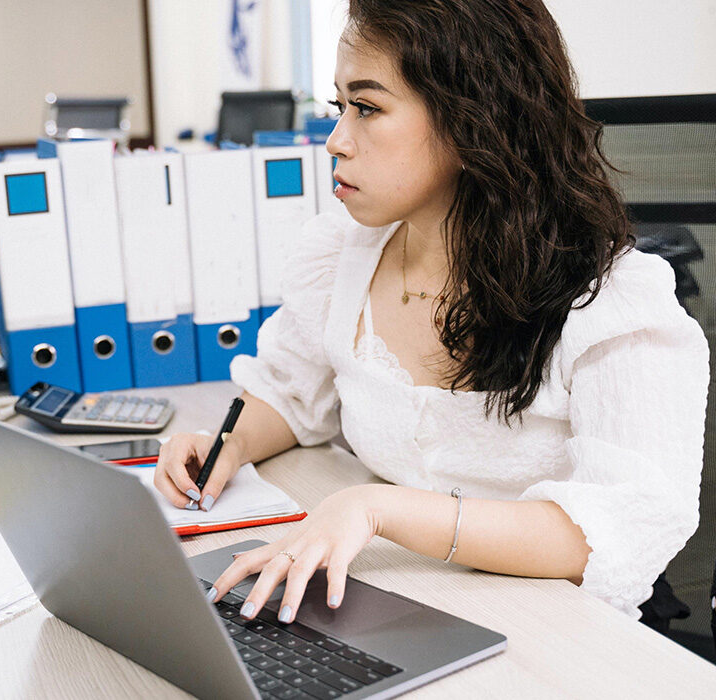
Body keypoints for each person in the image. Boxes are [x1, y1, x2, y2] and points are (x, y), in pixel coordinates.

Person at [156, 0, 709, 625]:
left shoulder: (609, 300)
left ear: (474, 120)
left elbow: (613, 532)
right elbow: (289, 392)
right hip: (405, 604)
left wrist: (378, 510)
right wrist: (223, 445)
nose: (336, 141)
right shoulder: (344, 254)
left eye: (367, 108)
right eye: (340, 107)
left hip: (558, 629)